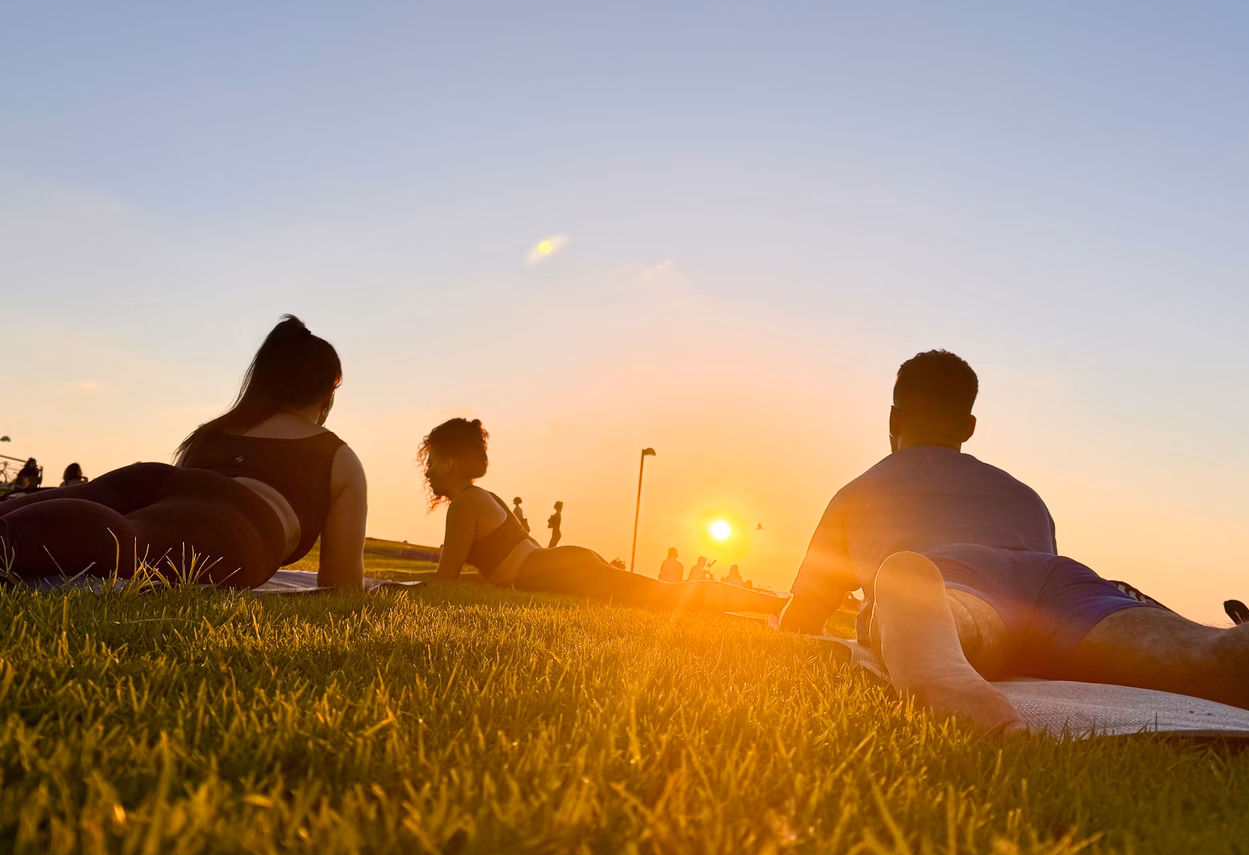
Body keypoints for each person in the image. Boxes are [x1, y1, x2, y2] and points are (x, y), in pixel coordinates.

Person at [781, 349, 1249, 731]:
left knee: (968, 621)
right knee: (1204, 653)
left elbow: (803, 616)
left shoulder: (859, 493)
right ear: (970, 427)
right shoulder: (1023, 494)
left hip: (946, 572)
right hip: (1065, 584)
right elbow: (1038, 598)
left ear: (892, 421)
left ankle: (926, 618)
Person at [0, 316, 367, 589]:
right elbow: (340, 583)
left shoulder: (211, 433)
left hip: (155, 478)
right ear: (326, 392)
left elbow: (171, 504)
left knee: (87, 505)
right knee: (132, 541)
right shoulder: (336, 456)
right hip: (238, 523)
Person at [417, 418, 784, 614]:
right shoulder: (482, 497)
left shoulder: (465, 504)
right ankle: (773, 604)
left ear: (450, 461)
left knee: (668, 596)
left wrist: (377, 582)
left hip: (561, 569)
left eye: (431, 462)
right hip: (562, 564)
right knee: (665, 597)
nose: (428, 472)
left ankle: (779, 604)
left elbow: (444, 582)